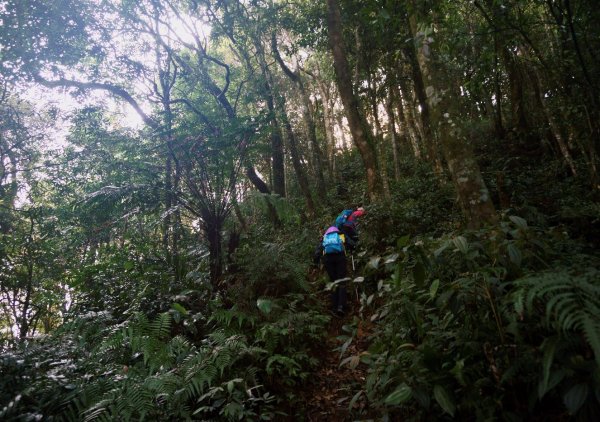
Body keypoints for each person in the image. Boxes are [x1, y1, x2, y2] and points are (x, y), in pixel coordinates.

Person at [314, 226, 348, 316]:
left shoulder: (325, 237)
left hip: (328, 260)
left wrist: (316, 262)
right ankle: (341, 306)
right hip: (340, 258)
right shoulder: (340, 235)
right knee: (341, 281)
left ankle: (334, 307)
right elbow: (349, 243)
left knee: (333, 282)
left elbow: (318, 251)